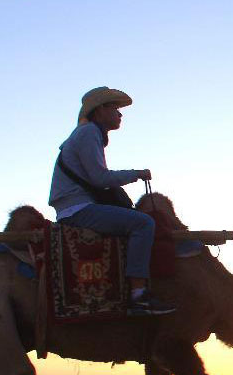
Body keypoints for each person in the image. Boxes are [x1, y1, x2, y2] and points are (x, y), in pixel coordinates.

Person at [48, 86, 175, 316]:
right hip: (77, 209)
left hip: (77, 205)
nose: (120, 114)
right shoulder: (88, 133)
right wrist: (137, 174)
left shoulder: (87, 134)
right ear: (100, 110)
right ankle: (139, 296)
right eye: (115, 108)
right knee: (143, 223)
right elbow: (99, 178)